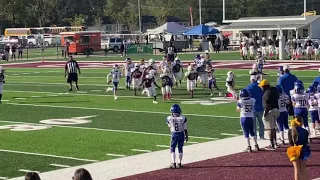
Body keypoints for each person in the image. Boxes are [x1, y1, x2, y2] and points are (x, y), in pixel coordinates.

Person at [259, 79, 280, 149]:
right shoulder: (274, 90)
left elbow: (268, 105)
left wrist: (265, 114)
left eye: (261, 87)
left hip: (270, 111)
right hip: (276, 110)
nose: (261, 88)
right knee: (273, 127)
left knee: (269, 128)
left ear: (264, 86)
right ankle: (275, 142)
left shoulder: (267, 94)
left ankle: (272, 144)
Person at [167, 104, 188, 169]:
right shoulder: (183, 118)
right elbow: (185, 128)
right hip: (181, 134)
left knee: (172, 148)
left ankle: (173, 163)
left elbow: (169, 126)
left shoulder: (169, 118)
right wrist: (186, 135)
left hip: (174, 134)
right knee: (180, 148)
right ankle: (179, 163)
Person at [246, 75, 265, 139]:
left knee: (253, 123)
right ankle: (262, 135)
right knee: (261, 122)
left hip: (252, 108)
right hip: (260, 106)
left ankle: (254, 136)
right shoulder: (260, 86)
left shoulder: (248, 87)